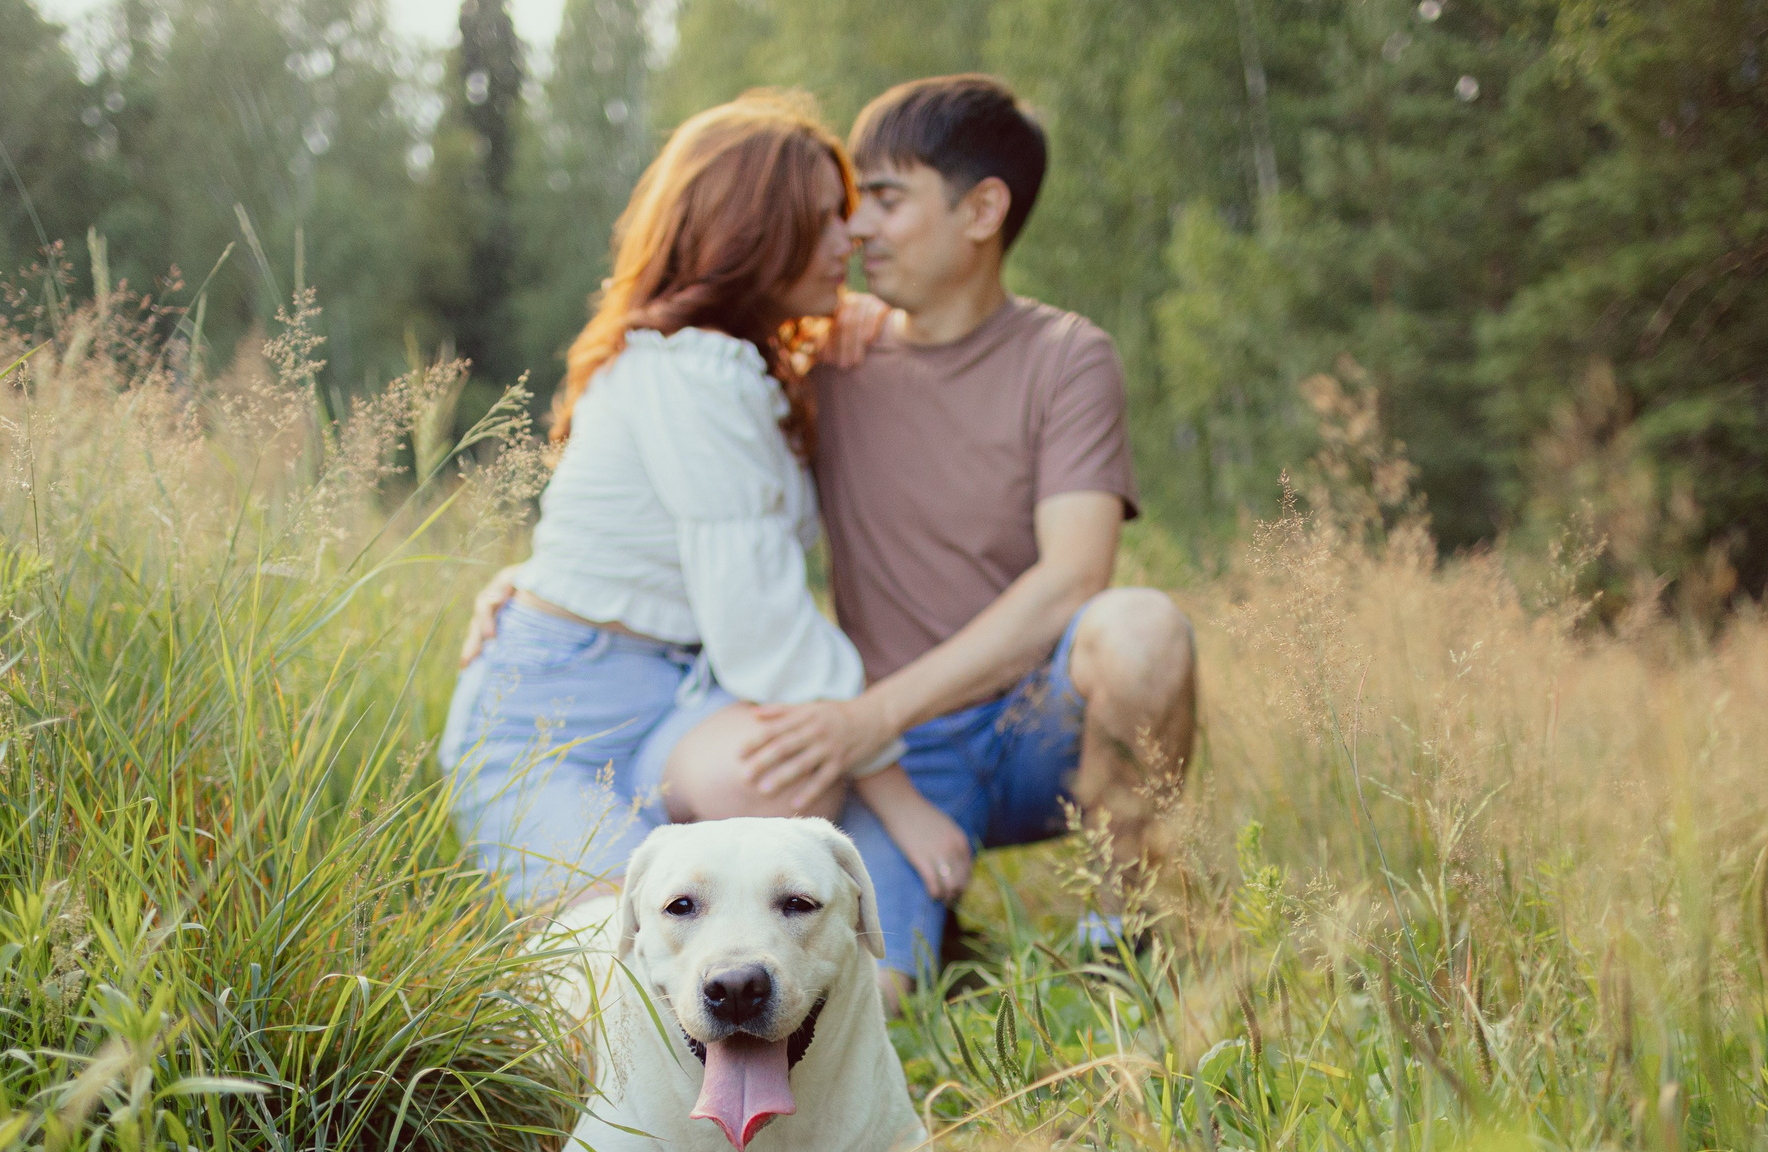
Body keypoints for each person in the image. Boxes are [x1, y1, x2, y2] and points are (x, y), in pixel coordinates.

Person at [732, 75, 1199, 999]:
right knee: (866, 1004)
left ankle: (1121, 945)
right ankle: (936, 931)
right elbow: (678, 440)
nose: (856, 228)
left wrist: (871, 715)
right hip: (901, 766)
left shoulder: (1068, 358)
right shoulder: (829, 348)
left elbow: (1074, 579)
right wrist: (551, 587)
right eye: (854, 202)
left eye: (887, 199)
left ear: (982, 210)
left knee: (1144, 629)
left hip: (1034, 731)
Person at [439, 93, 966, 906]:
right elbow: (761, 620)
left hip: (681, 694)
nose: (851, 238)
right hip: (548, 722)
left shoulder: (739, 368)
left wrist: (861, 321)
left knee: (784, 773)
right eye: (822, 220)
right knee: (632, 952)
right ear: (751, 229)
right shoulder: (690, 371)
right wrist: (900, 801)